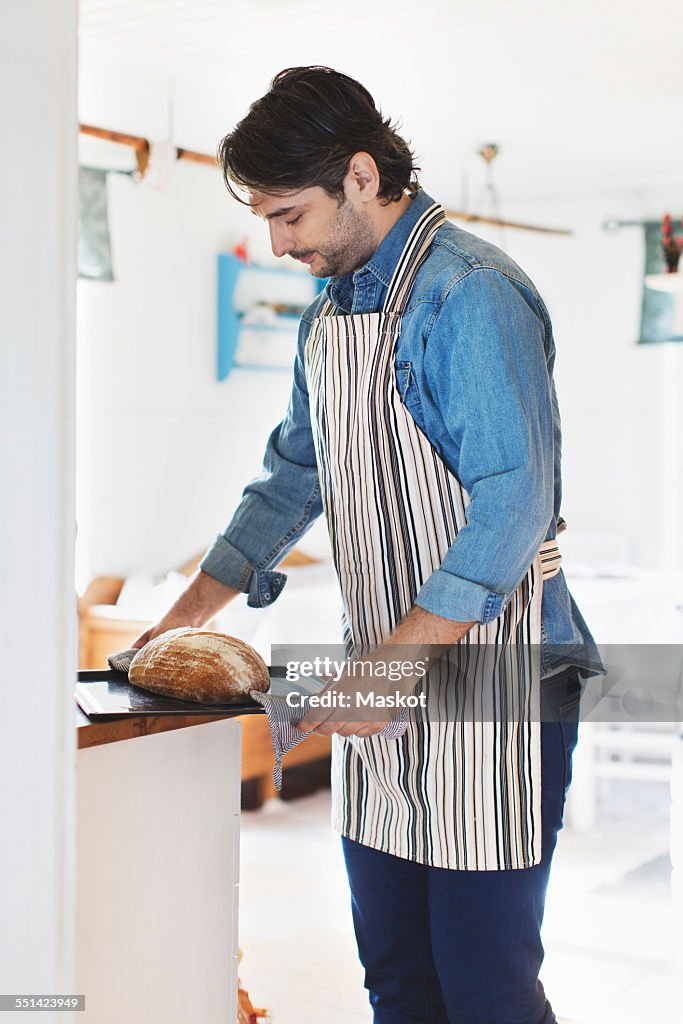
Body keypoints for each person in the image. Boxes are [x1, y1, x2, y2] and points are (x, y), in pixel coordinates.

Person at [133, 67, 600, 1024]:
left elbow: (515, 504)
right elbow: (289, 482)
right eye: (263, 218)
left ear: (359, 174)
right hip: (382, 685)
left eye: (289, 214)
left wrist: (387, 670)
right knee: (395, 975)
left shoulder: (470, 294)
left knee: (485, 984)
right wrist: (167, 632)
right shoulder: (329, 315)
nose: (277, 243)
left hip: (497, 688)